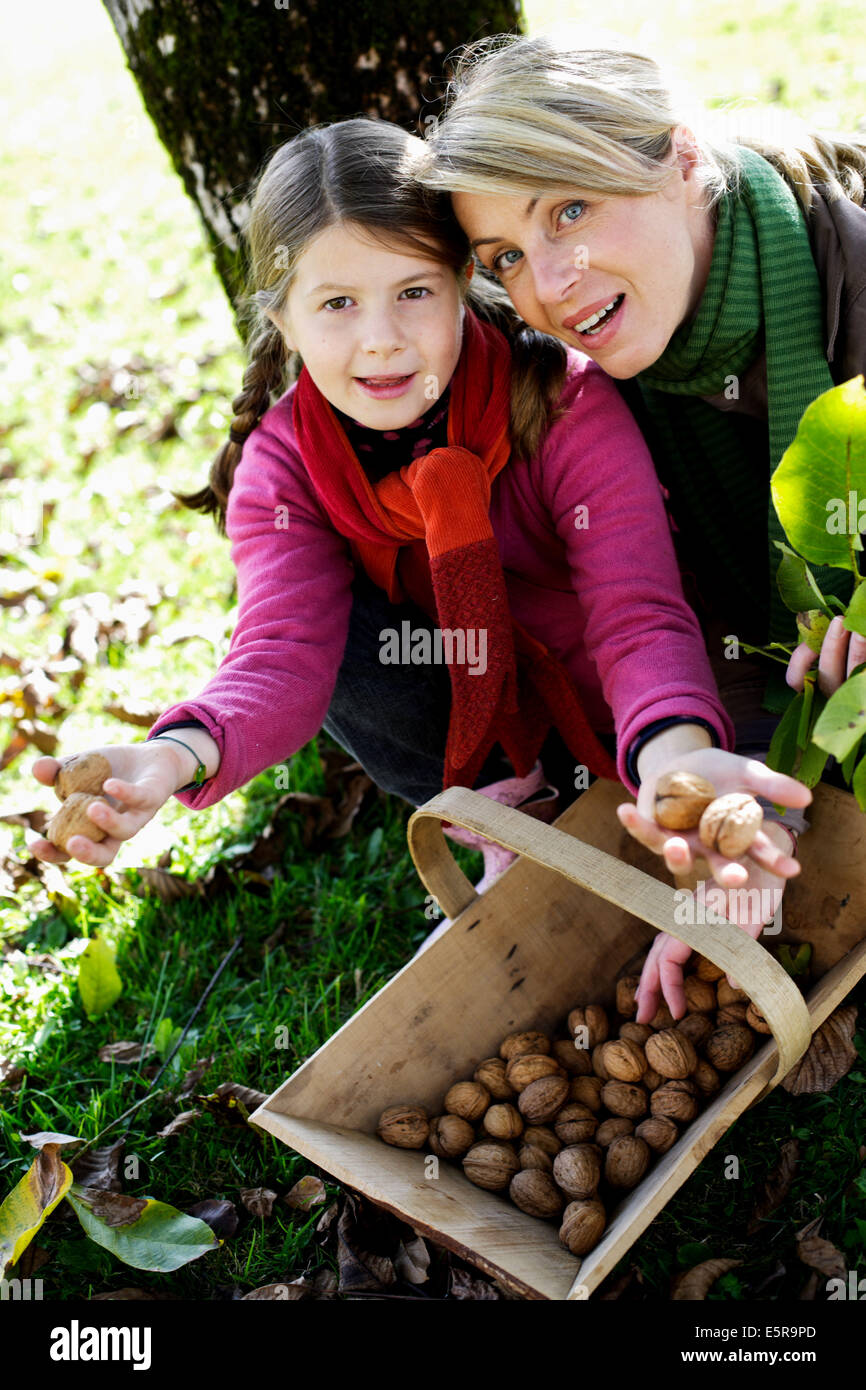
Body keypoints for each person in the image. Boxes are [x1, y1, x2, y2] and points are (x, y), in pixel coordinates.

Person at [30, 117, 803, 958]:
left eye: (414, 291)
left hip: (645, 698)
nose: (382, 338)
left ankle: (619, 788)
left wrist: (673, 768)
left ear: (463, 281)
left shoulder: (557, 399)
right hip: (480, 703)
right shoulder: (284, 468)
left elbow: (638, 617)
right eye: (336, 304)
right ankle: (517, 811)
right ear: (281, 320)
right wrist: (172, 757)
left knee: (731, 814)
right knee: (343, 637)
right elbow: (280, 652)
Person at [419, 29, 866, 1012]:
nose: (548, 285)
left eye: (569, 209)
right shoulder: (593, 396)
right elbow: (655, 616)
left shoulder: (843, 266)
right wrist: (734, 811)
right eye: (505, 255)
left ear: (680, 157)